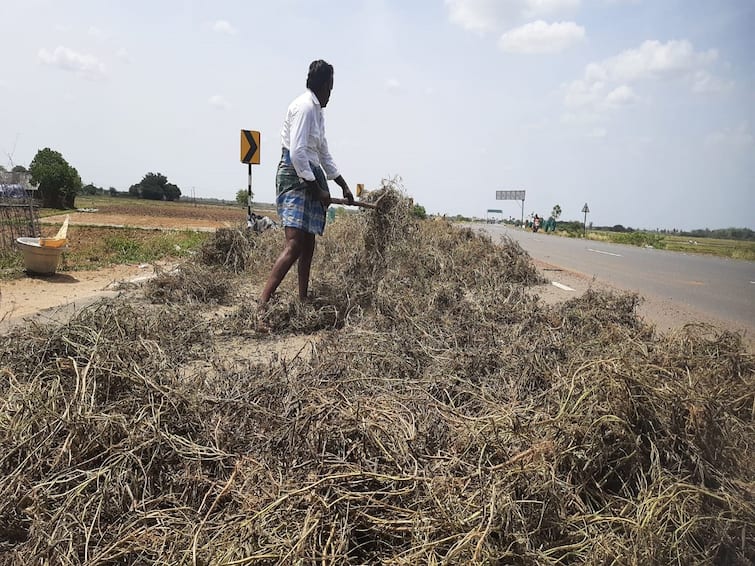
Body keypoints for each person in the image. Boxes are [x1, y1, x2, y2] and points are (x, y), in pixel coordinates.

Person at [259, 60, 353, 313]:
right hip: (294, 176)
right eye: (330, 89)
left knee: (309, 243)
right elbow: (298, 153)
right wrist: (317, 190)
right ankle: (261, 306)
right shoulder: (304, 108)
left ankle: (303, 299)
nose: (331, 95)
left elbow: (323, 152)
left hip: (311, 175)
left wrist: (342, 184)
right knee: (295, 244)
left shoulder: (318, 112)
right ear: (323, 86)